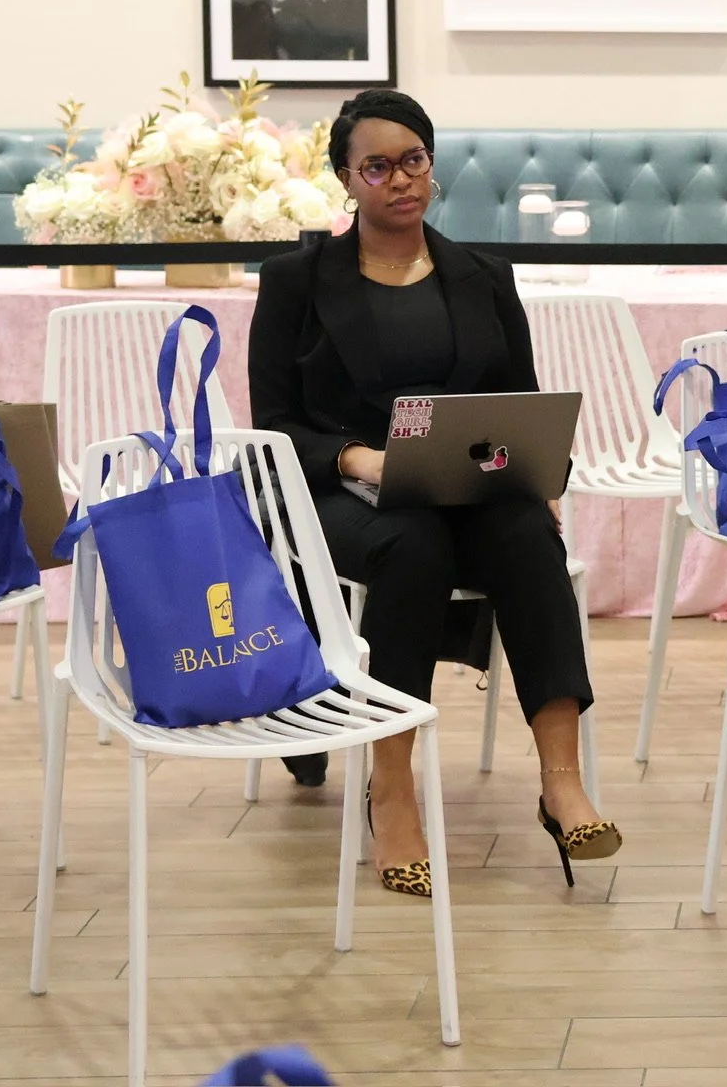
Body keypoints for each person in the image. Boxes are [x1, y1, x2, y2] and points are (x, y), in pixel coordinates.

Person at [249, 88, 618, 898]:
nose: (401, 180)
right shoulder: (294, 283)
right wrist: (360, 459)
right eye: (378, 167)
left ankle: (561, 782)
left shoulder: (483, 275)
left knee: (527, 536)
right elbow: (272, 426)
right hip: (346, 492)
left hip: (465, 483)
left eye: (413, 161)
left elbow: (520, 399)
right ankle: (392, 788)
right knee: (410, 546)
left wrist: (533, 474)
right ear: (347, 179)